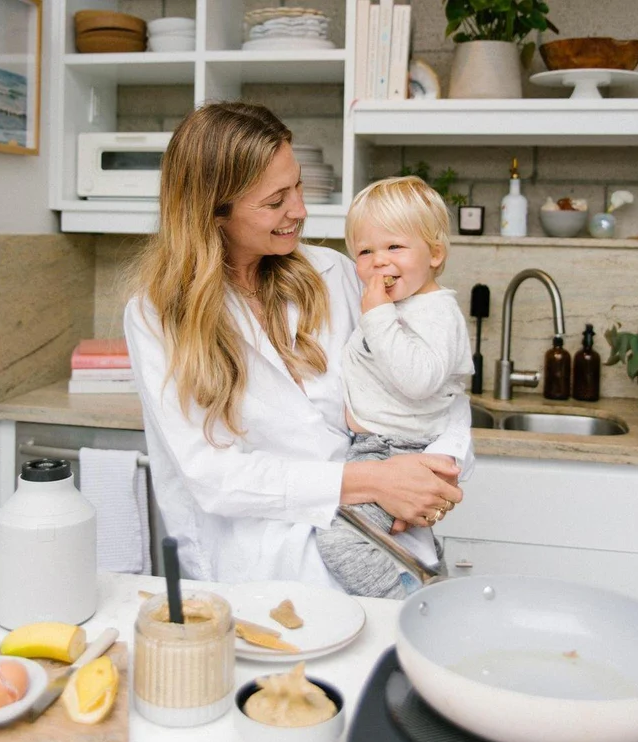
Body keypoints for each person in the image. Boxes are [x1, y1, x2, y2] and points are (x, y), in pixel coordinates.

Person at [123, 100, 471, 589]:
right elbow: (211, 475)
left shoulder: (337, 275)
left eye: (298, 185)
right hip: (260, 573)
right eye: (274, 201)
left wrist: (442, 469)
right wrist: (373, 481)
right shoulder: (157, 313)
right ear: (213, 212)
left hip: (385, 547)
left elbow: (433, 382)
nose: (300, 210)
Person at [315, 176, 474, 599]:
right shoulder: (400, 306)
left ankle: (400, 601)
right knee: (390, 541)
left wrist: (379, 316)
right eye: (365, 251)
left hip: (396, 450)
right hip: (373, 446)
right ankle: (421, 579)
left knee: (339, 541)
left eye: (395, 247)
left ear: (435, 253)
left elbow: (420, 381)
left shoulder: (435, 312)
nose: (379, 261)